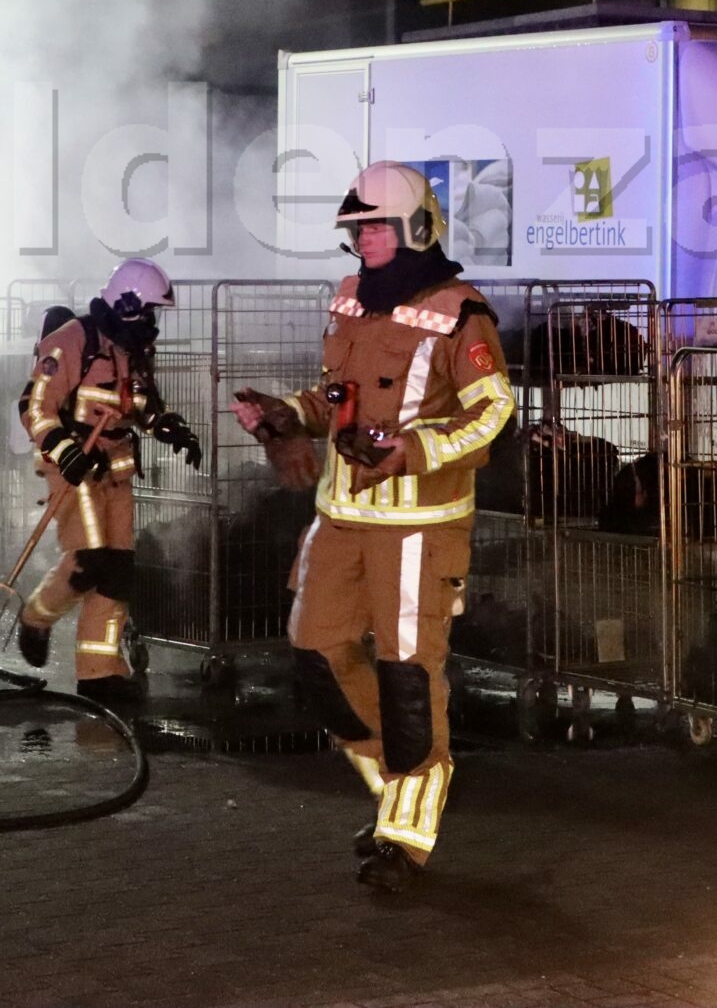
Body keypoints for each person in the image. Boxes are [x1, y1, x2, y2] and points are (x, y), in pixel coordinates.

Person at [233, 162, 514, 893]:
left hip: (421, 525)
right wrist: (287, 414)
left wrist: (413, 449)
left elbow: (493, 410)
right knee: (315, 656)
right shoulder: (351, 297)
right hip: (340, 514)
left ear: (418, 225)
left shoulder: (461, 310)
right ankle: (400, 785)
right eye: (358, 229)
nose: (366, 241)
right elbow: (335, 396)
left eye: (379, 226)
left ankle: (406, 836)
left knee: (408, 679)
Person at [14, 257, 201, 703]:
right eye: (150, 310)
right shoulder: (71, 341)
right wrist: (64, 450)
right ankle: (36, 617)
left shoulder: (131, 347)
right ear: (129, 302)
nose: (153, 322)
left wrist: (168, 425)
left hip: (114, 470)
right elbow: (34, 406)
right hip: (73, 467)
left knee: (118, 572)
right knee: (88, 561)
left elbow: (141, 403)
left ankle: (99, 673)